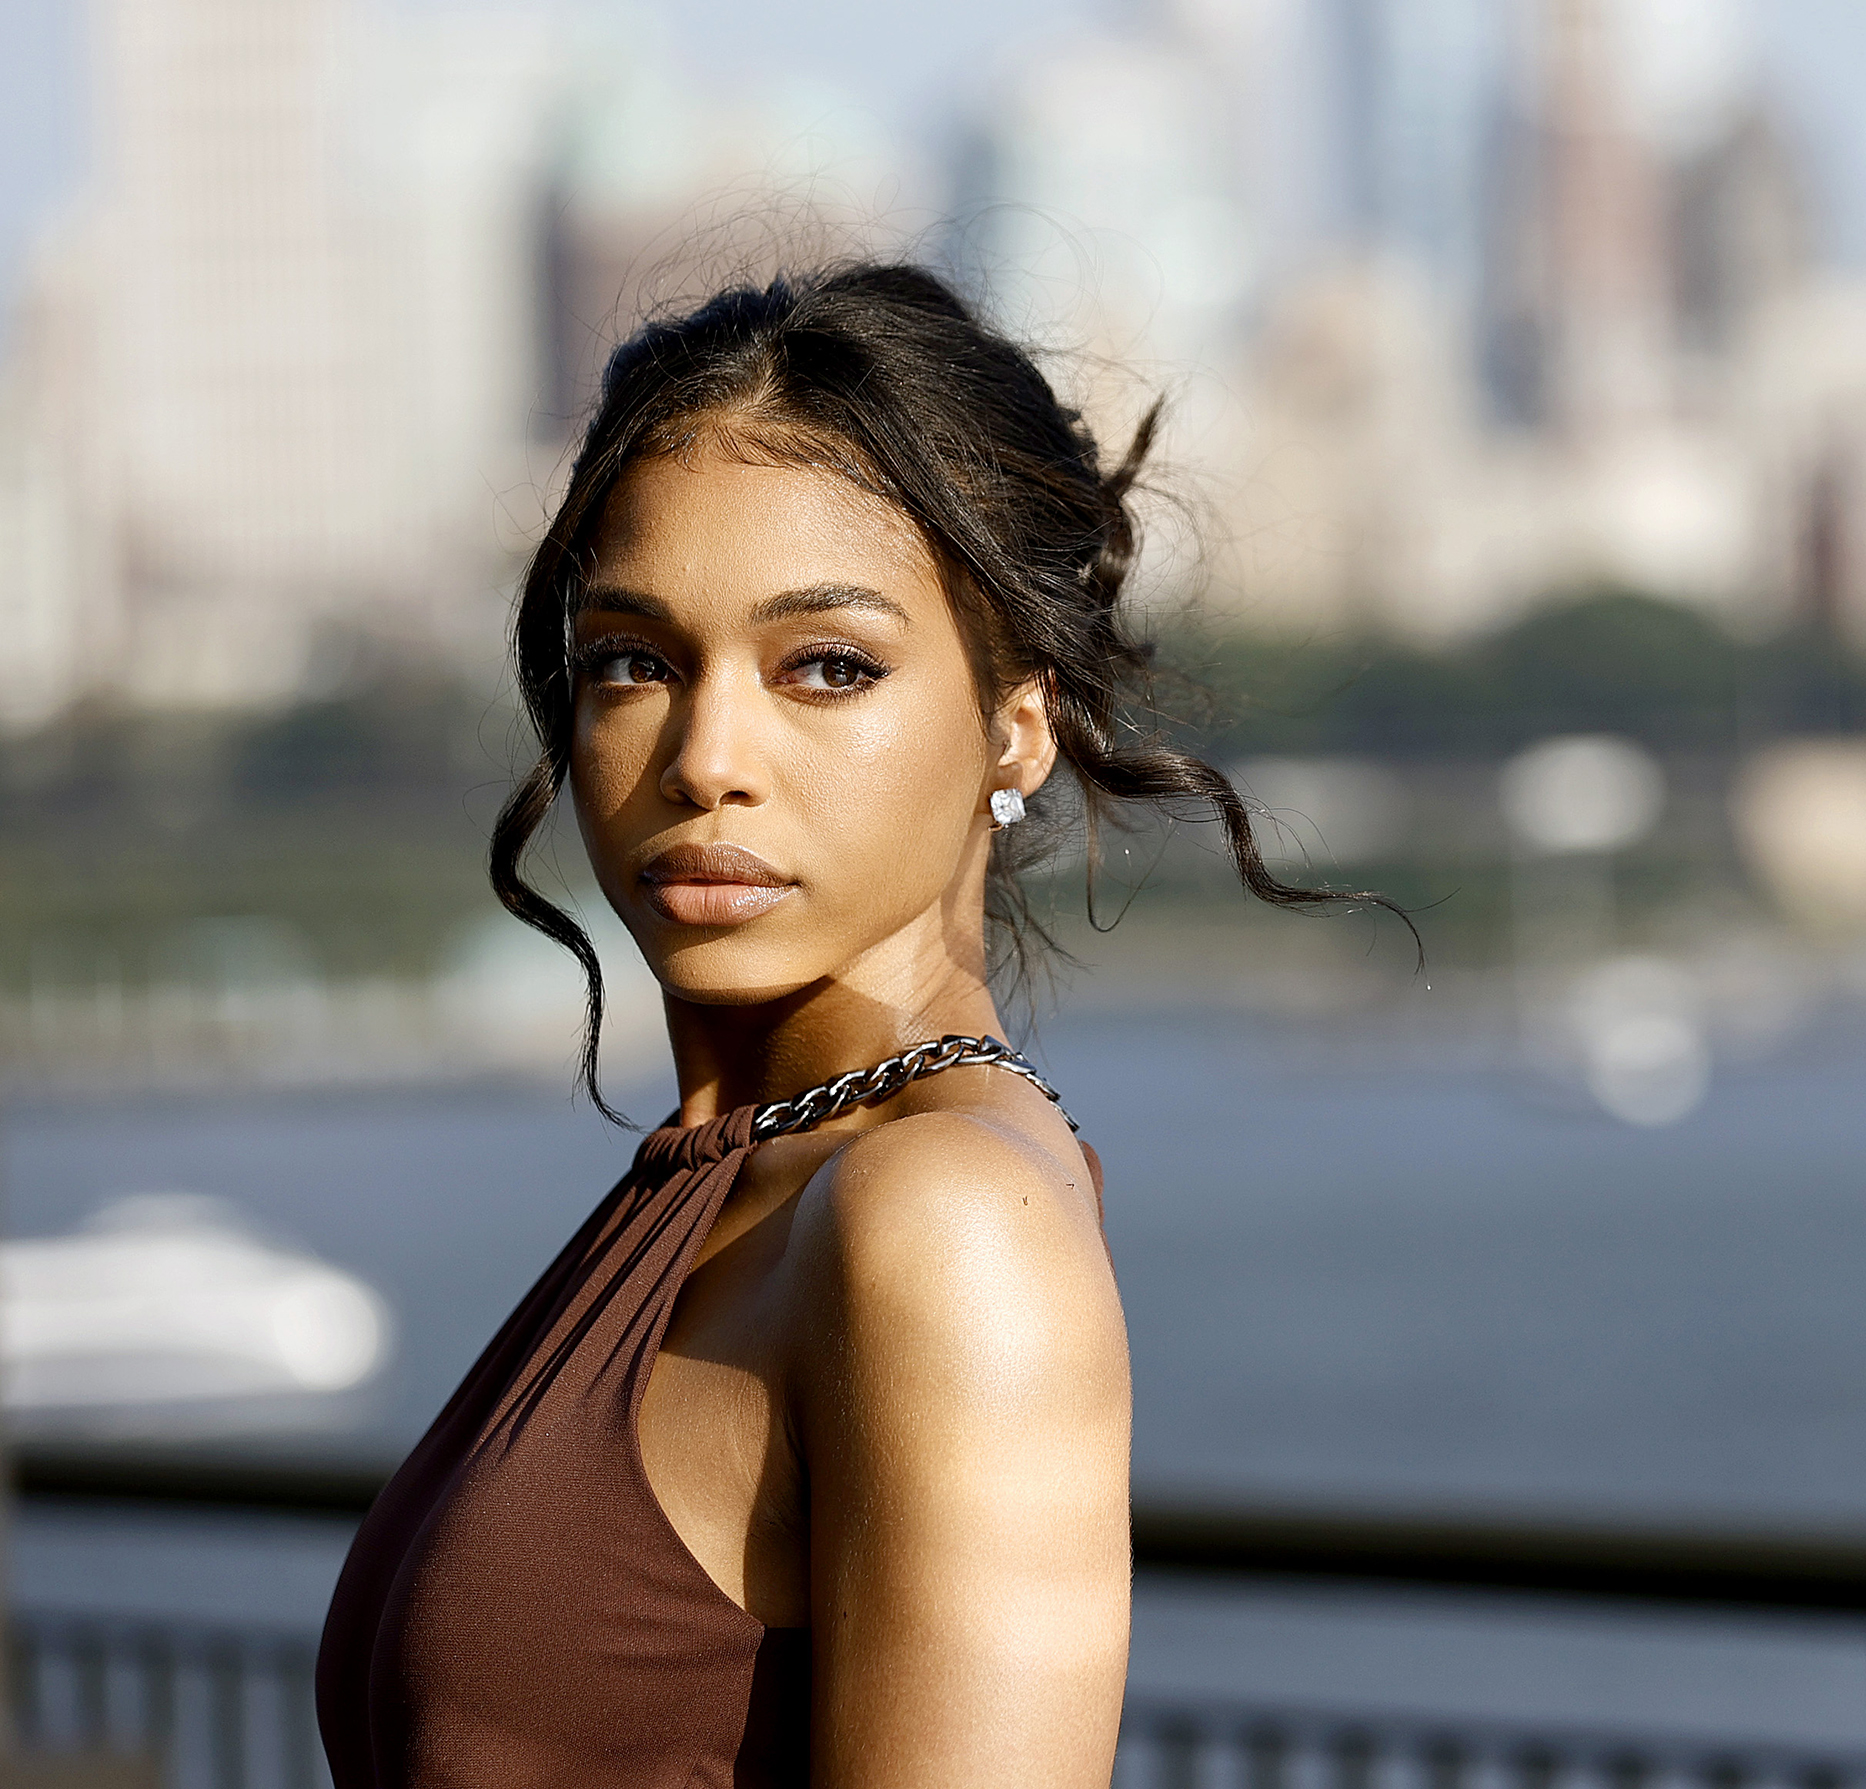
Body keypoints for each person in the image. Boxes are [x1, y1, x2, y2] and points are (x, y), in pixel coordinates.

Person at [315, 263, 1389, 1787]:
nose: (707, 756)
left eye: (828, 664)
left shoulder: (943, 1218)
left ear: (1013, 722)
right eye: (635, 659)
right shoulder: (722, 1174)